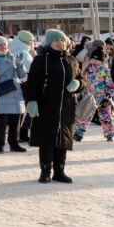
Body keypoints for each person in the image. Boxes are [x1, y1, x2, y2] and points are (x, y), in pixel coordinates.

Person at [23, 29, 83, 184]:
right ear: (49, 43)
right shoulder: (41, 59)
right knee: (47, 140)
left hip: (66, 107)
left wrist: (78, 84)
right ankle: (45, 172)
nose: (60, 43)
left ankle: (59, 171)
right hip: (46, 106)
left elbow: (81, 78)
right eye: (56, 40)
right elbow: (32, 83)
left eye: (62, 40)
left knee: (62, 140)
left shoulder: (72, 60)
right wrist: (31, 101)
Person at [0, 36, 27, 153]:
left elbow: (21, 76)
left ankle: (14, 143)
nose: (3, 47)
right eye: (0, 45)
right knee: (1, 122)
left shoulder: (11, 56)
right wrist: (7, 63)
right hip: (2, 94)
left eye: (5, 45)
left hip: (15, 94)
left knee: (15, 122)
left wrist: (20, 66)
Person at [74, 41, 114, 142]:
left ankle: (109, 134)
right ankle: (78, 133)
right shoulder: (87, 69)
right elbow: (82, 81)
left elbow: (111, 84)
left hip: (102, 97)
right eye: (93, 59)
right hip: (89, 97)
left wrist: (107, 95)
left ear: (101, 60)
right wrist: (80, 93)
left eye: (97, 60)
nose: (94, 61)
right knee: (85, 115)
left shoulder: (104, 70)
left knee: (105, 116)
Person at [9, 30, 36, 143]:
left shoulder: (12, 50)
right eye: (30, 41)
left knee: (19, 111)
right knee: (28, 110)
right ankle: (21, 134)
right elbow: (26, 72)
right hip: (24, 85)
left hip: (13, 85)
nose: (32, 43)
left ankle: (17, 134)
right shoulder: (23, 53)